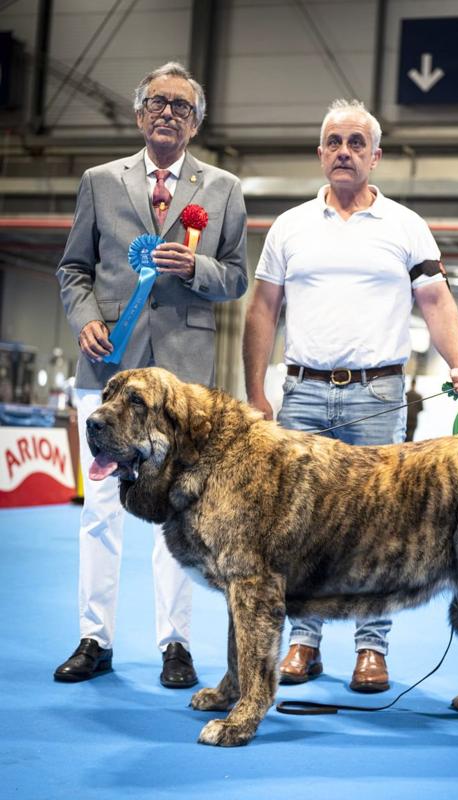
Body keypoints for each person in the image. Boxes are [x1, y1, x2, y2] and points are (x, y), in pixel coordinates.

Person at [242, 98, 458, 693]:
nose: (344, 151)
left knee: (379, 527)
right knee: (296, 527)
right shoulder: (289, 227)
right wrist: (255, 392)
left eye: (356, 142)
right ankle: (303, 642)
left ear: (375, 156)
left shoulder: (407, 225)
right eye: (333, 142)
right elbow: (263, 310)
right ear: (320, 154)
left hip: (379, 395)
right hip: (300, 394)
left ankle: (372, 650)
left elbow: (436, 302)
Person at [54, 62, 247, 687]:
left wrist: (196, 270)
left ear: (196, 122)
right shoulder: (98, 182)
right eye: (158, 103)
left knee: (181, 512)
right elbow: (73, 269)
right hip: (108, 367)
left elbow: (237, 276)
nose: (169, 113)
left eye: (182, 106)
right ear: (140, 115)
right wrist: (84, 317)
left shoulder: (222, 189)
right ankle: (94, 638)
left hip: (181, 387)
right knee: (101, 509)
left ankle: (176, 646)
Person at [405, 377, 423, 441]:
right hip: (413, 420)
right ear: (415, 384)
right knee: (410, 439)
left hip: (405, 419)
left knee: (404, 438)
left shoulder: (406, 394)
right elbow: (421, 408)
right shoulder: (418, 396)